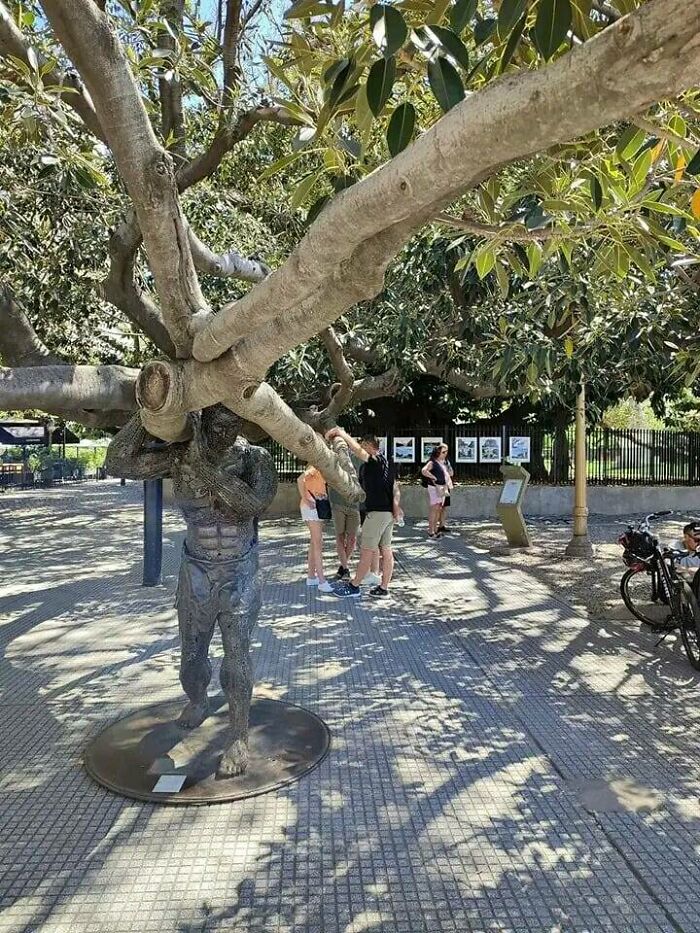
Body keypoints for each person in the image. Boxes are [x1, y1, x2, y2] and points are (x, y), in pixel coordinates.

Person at [326, 429, 402, 598]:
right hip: (387, 514)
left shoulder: (374, 461)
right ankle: (383, 588)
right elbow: (395, 487)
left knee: (367, 551)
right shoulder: (387, 462)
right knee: (386, 549)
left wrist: (341, 433)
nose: (360, 449)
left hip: (376, 514)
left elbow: (357, 450)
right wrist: (396, 507)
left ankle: (354, 586)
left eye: (362, 446)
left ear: (368, 446)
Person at [297, 465, 334, 592]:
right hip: (311, 507)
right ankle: (322, 581)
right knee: (318, 542)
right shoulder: (315, 466)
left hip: (317, 507)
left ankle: (311, 577)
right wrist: (306, 499)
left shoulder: (321, 467)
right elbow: (300, 479)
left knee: (314, 542)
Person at [328, 457, 362, 580]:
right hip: (338, 504)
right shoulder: (334, 460)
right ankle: (346, 569)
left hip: (354, 506)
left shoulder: (358, 460)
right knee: (340, 536)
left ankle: (343, 567)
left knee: (352, 539)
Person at [421, 444, 453, 539]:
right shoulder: (432, 462)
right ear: (437, 453)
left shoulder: (443, 462)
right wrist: (433, 477)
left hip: (442, 487)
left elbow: (450, 473)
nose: (445, 454)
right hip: (435, 487)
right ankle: (431, 531)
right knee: (434, 509)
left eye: (446, 452)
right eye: (443, 452)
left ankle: (435, 530)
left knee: (439, 508)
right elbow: (424, 470)